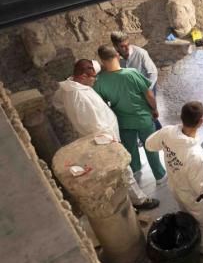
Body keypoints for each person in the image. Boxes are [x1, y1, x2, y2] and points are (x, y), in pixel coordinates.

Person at [53, 59, 159, 210]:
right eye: (93, 77)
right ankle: (139, 201)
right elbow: (93, 125)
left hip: (102, 136)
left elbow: (58, 103)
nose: (95, 80)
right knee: (122, 170)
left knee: (119, 172)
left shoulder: (68, 87)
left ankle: (127, 203)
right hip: (103, 140)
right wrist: (111, 141)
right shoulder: (79, 96)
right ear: (83, 76)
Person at [145, 101, 203, 254]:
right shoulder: (196, 156)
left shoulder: (167, 132)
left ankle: (189, 232)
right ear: (200, 122)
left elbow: (149, 144)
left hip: (175, 186)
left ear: (181, 117)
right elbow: (201, 188)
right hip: (194, 197)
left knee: (185, 213)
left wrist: (168, 148)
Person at [93, 45, 167, 183]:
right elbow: (149, 94)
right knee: (150, 145)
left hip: (122, 120)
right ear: (117, 55)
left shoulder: (100, 81)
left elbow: (102, 103)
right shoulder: (131, 73)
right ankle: (159, 175)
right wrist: (154, 109)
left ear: (102, 61)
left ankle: (136, 171)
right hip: (142, 117)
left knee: (130, 147)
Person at [110, 31, 162, 130]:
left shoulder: (141, 53)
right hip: (132, 89)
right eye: (122, 46)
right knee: (139, 112)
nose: (127, 48)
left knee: (150, 111)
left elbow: (153, 73)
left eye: (127, 44)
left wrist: (146, 90)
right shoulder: (114, 57)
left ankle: (159, 133)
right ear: (115, 46)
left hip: (147, 85)